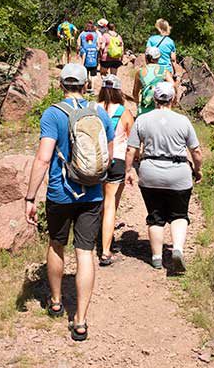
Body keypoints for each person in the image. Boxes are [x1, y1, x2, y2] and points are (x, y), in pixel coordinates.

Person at [25, 63, 114, 341]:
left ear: (62, 85)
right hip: (92, 193)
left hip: (60, 193)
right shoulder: (99, 112)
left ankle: (55, 301)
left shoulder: (53, 114)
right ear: (86, 84)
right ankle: (81, 320)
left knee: (56, 243)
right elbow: (109, 156)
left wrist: (30, 197)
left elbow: (43, 158)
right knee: (85, 253)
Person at [125, 82, 202, 273]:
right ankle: (177, 249)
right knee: (179, 215)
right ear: (173, 99)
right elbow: (196, 151)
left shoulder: (142, 120)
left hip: (150, 173)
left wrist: (128, 171)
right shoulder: (183, 121)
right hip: (178, 173)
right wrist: (198, 169)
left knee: (155, 216)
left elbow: (131, 149)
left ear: (154, 99)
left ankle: (157, 257)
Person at [97, 75, 134, 266]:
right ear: (119, 91)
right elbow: (131, 143)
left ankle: (97, 237)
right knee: (111, 204)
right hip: (117, 160)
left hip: (95, 161)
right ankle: (105, 250)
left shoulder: (93, 109)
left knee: (100, 201)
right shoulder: (124, 113)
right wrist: (130, 169)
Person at [132, 46, 174, 116]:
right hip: (160, 108)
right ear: (158, 58)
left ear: (146, 57)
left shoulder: (140, 72)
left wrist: (138, 104)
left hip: (145, 107)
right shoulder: (164, 71)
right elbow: (173, 85)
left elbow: (135, 92)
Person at [77, 21, 99, 93]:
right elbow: (98, 44)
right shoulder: (95, 34)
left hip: (85, 58)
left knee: (85, 74)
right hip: (93, 57)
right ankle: (92, 89)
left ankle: (85, 89)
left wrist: (79, 49)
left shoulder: (82, 34)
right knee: (93, 75)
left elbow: (78, 43)